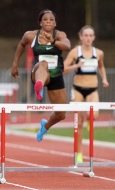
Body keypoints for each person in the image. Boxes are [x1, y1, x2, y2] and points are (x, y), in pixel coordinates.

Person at [11, 9, 71, 142]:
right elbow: (21, 44)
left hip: (55, 76)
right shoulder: (31, 35)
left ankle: (45, 126)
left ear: (55, 23)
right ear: (40, 23)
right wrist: (15, 64)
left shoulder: (59, 35)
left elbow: (67, 46)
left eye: (51, 19)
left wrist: (53, 41)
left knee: (61, 114)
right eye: (45, 19)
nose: (48, 21)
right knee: (43, 63)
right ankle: (39, 86)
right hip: (38, 71)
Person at [63, 25, 109, 163]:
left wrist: (104, 78)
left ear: (93, 37)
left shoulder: (99, 53)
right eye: (86, 35)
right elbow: (63, 69)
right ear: (81, 37)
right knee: (79, 121)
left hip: (92, 89)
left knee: (94, 113)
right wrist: (76, 66)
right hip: (78, 89)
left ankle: (91, 118)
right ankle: (79, 152)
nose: (88, 38)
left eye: (91, 35)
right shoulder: (75, 53)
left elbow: (101, 66)